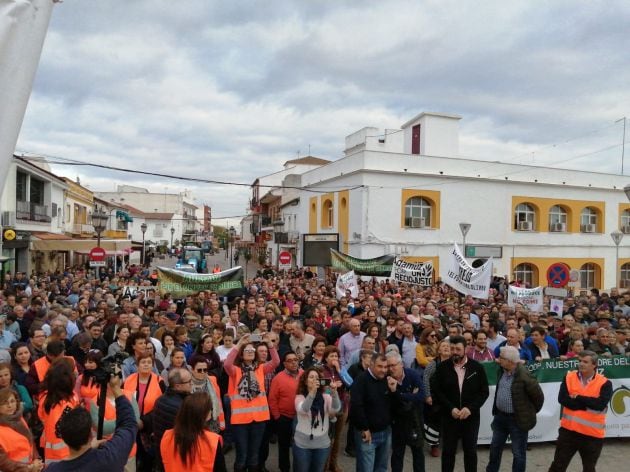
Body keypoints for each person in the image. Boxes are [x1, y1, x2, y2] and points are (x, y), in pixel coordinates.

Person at [45, 373, 138, 472]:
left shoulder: (53, 469)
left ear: (63, 438)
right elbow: (129, 424)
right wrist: (116, 388)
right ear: (90, 434)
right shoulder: (109, 457)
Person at [431, 335, 489, 472]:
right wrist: (450, 408)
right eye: (452, 349)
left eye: (458, 349)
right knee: (448, 452)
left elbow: (484, 392)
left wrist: (470, 408)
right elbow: (437, 392)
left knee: (470, 452)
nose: (454, 352)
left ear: (466, 349)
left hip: (471, 418)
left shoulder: (477, 368)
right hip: (450, 417)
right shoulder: (442, 368)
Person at [548, 350, 613, 472]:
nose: (581, 364)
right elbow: (563, 399)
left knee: (589, 468)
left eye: (585, 362)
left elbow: (599, 404)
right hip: (568, 432)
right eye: (579, 361)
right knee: (558, 466)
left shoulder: (605, 383)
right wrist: (586, 405)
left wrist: (578, 397)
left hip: (592, 435)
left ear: (594, 365)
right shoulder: (568, 377)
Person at [224, 333, 280, 472]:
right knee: (242, 456)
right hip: (240, 421)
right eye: (246, 350)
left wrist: (269, 344)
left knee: (254, 456)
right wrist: (239, 344)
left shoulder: (261, 369)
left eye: (252, 350)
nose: (249, 352)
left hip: (259, 420)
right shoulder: (235, 371)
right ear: (241, 355)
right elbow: (227, 363)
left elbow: (276, 362)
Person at [486, 346, 544, 472]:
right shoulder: (502, 370)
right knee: (495, 448)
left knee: (518, 453)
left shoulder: (525, 376)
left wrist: (527, 413)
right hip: (500, 418)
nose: (498, 359)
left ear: (510, 361)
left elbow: (538, 398)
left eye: (501, 358)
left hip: (517, 421)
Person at [350, 352, 400, 472]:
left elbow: (395, 405)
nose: (383, 370)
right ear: (371, 365)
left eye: (385, 367)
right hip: (368, 434)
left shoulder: (388, 380)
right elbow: (356, 406)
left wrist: (394, 391)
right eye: (380, 366)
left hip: (385, 432)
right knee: (366, 469)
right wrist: (364, 428)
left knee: (381, 468)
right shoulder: (361, 380)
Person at [160, 392, 227, 472]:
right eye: (210, 409)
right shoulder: (212, 441)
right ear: (204, 415)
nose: (211, 411)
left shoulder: (167, 437)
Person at [292, 367, 341, 472]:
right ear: (305, 381)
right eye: (311, 377)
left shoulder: (325, 397)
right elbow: (304, 409)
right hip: (302, 445)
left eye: (317, 377)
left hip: (322, 445)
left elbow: (335, 409)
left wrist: (334, 393)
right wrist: (312, 393)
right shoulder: (299, 397)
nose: (314, 379)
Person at [386, 351, 425, 472]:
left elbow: (421, 396)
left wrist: (398, 394)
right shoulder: (386, 379)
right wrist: (409, 396)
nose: (391, 369)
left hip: (414, 419)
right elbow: (390, 403)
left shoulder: (412, 374)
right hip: (397, 420)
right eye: (389, 366)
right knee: (397, 453)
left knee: (418, 451)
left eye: (394, 365)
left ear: (401, 364)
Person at [38, 359, 80, 465]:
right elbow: (61, 430)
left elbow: (42, 417)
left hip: (55, 452)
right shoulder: (62, 404)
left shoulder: (46, 396)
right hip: (64, 454)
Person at [152, 368, 193, 471]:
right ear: (178, 386)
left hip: (161, 452)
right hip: (175, 456)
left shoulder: (159, 400)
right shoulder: (181, 407)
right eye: (189, 381)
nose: (191, 383)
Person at [268, 351, 302, 472]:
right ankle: (284, 468)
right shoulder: (278, 378)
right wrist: (277, 417)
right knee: (284, 447)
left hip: (301, 418)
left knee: (300, 446)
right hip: (284, 418)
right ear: (284, 364)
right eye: (290, 360)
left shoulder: (304, 374)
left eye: (295, 360)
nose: (293, 362)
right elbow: (272, 399)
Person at [0, 387, 43, 471]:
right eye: (4, 403)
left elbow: (30, 442)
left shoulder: (19, 419)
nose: (10, 406)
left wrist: (37, 459)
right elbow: (3, 462)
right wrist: (28, 469)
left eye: (12, 401)